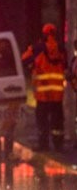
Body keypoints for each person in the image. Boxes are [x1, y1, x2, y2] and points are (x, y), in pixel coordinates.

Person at [23, 23, 66, 151]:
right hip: (57, 94)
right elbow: (67, 66)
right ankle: (58, 145)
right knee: (57, 121)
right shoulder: (62, 49)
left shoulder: (37, 49)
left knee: (42, 121)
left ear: (44, 34)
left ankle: (44, 145)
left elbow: (24, 60)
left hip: (42, 93)